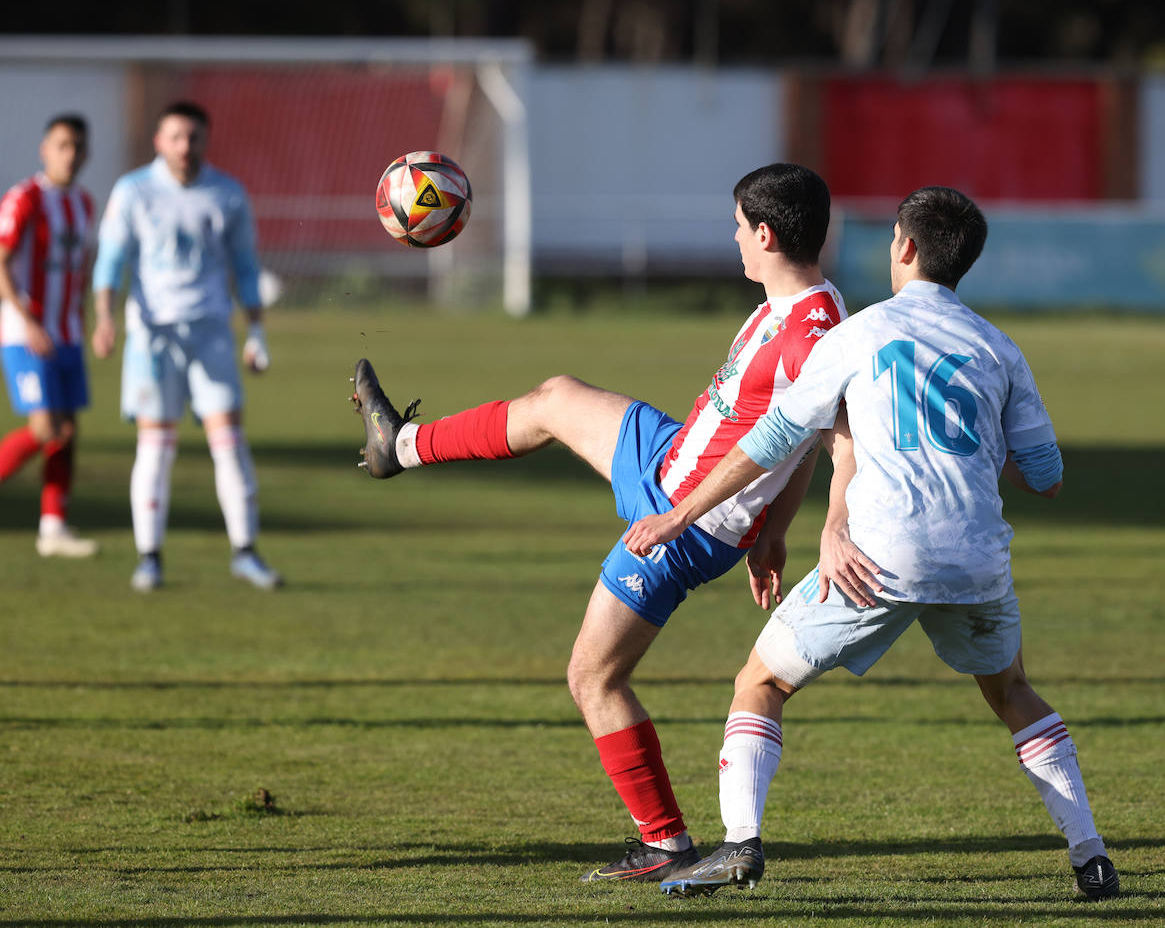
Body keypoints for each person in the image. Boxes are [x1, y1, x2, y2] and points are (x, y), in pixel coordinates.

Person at [351, 163, 846, 883]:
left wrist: (698, 519)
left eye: (740, 226)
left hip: (686, 520)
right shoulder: (799, 303)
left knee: (593, 676)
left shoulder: (811, 335)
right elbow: (796, 437)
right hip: (673, 456)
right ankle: (398, 446)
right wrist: (774, 531)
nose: (733, 237)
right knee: (555, 397)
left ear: (766, 234)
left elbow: (815, 438)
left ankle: (665, 842)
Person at [624, 186, 1120, 901]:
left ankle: (740, 846)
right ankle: (1091, 855)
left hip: (876, 557)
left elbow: (772, 438)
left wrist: (680, 515)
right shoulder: (999, 347)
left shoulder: (856, 336)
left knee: (759, 683)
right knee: (1012, 690)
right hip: (978, 560)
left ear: (906, 248)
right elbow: (1047, 476)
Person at [91, 100, 281, 592]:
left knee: (230, 445)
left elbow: (245, 267)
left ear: (205, 140)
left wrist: (256, 332)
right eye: (175, 137)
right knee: (155, 449)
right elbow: (111, 260)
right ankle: (149, 558)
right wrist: (105, 319)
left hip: (213, 334)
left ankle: (246, 552)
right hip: (154, 339)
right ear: (159, 141)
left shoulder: (227, 193)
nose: (184, 146)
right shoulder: (133, 191)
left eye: (193, 137)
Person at [0, 114, 101, 558]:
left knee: (67, 430)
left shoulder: (83, 203)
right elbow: (1, 261)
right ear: (45, 149)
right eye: (62, 145)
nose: (70, 154)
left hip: (68, 332)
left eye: (77, 146)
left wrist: (85, 315)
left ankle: (53, 527)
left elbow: (80, 265)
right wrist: (28, 320)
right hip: (26, 333)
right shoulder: (25, 197)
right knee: (45, 426)